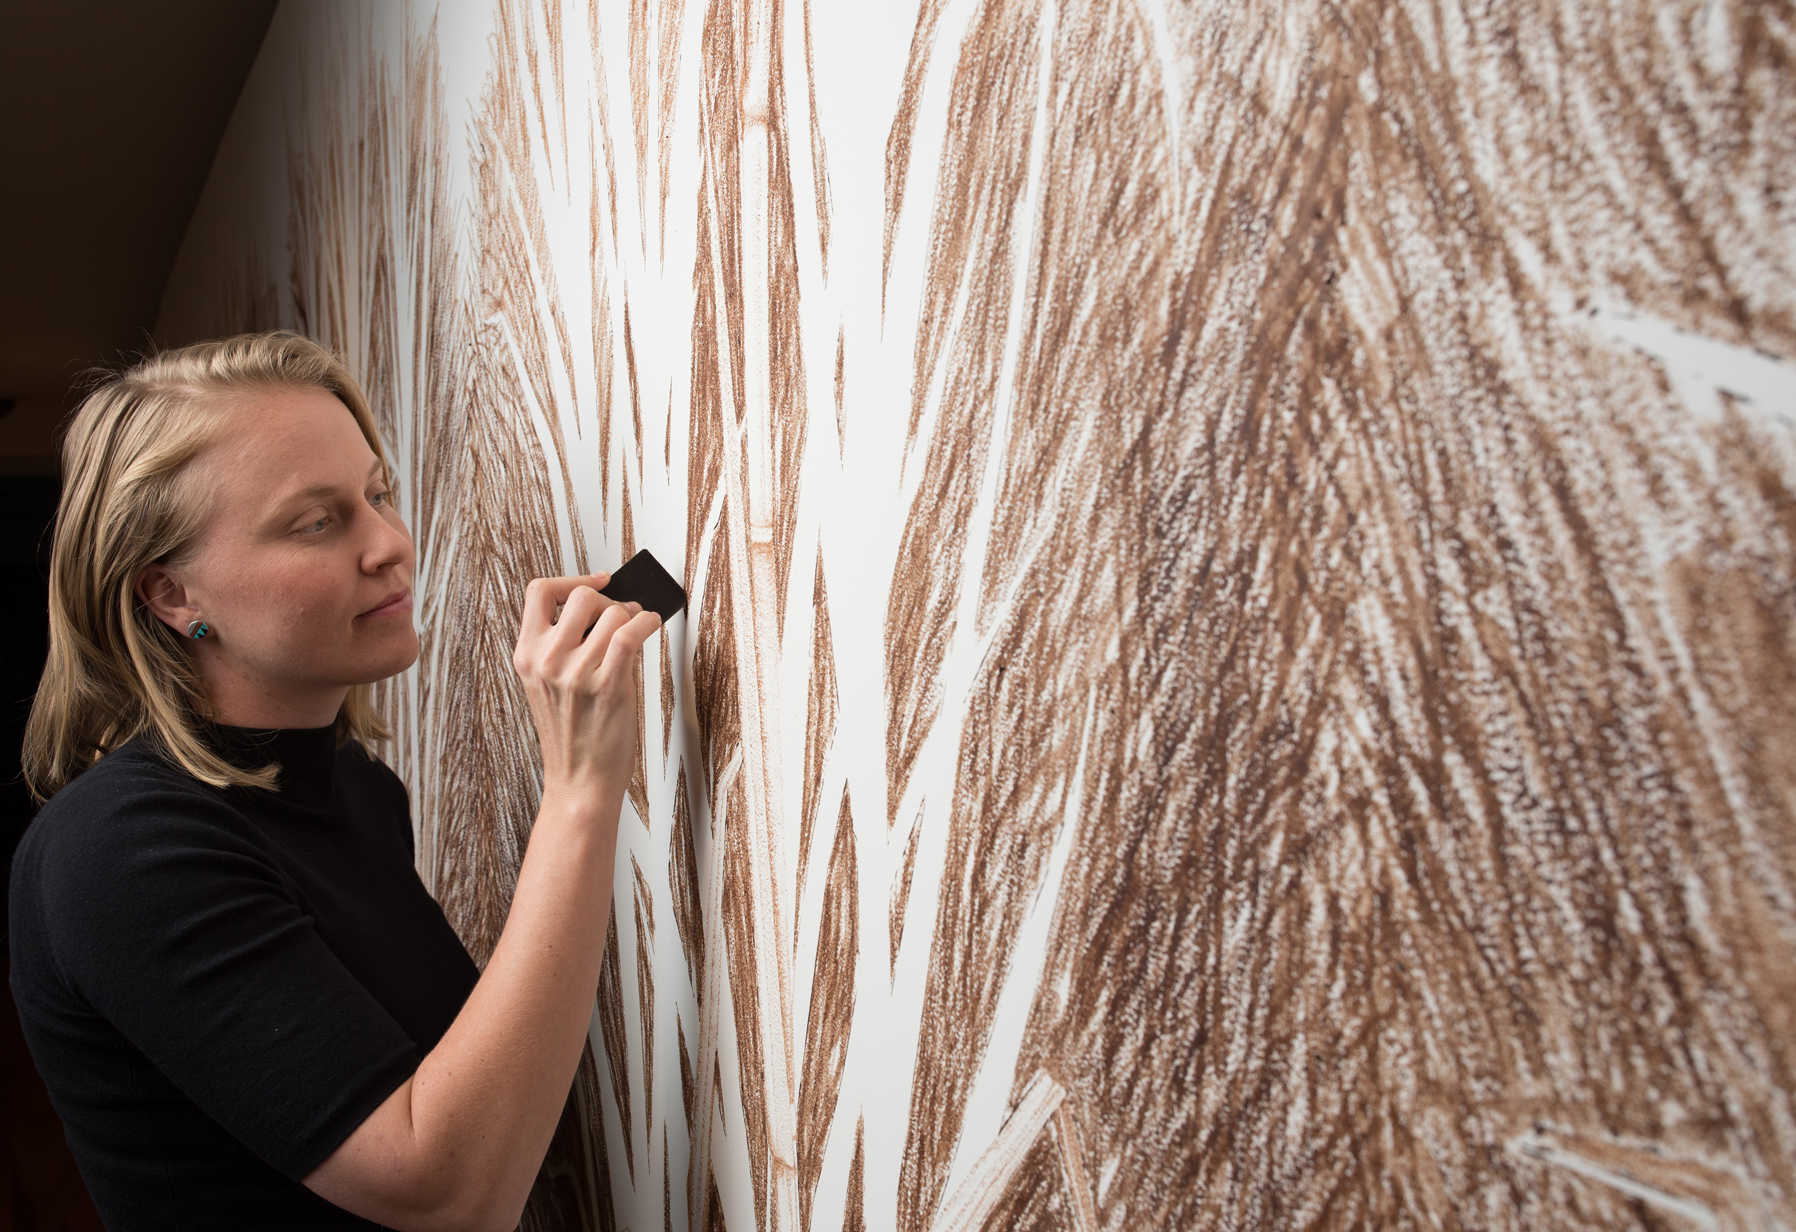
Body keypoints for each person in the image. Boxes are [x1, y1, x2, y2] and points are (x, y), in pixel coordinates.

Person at [9, 332, 660, 1231]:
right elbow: (446, 1192)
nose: (388, 544)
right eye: (316, 522)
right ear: (173, 596)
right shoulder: (118, 850)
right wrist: (580, 789)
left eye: (377, 495)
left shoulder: (354, 786)